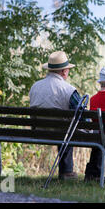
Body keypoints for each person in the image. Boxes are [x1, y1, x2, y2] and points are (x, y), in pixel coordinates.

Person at [29, 51, 81, 180]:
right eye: (68, 70)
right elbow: (81, 116)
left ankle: (66, 172)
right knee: (68, 129)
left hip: (39, 131)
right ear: (64, 71)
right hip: (62, 133)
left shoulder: (35, 86)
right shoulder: (69, 90)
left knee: (64, 128)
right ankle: (66, 172)